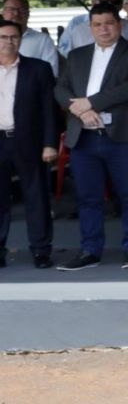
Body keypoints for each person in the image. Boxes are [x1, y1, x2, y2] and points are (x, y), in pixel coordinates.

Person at [54, 2, 128, 271]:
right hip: (84, 136)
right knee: (88, 196)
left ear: (119, 24)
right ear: (90, 27)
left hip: (124, 135)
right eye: (97, 24)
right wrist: (80, 109)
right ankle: (90, 250)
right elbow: (61, 88)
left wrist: (91, 102)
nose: (104, 29)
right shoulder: (77, 56)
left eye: (109, 23)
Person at [0, 20, 58, 269]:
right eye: (3, 37)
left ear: (20, 39)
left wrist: (49, 144)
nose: (9, 42)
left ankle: (41, 250)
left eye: (13, 37)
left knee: (36, 197)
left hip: (29, 141)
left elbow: (49, 110)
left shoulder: (39, 69)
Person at [57, 0, 128, 57]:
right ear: (93, 2)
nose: (110, 4)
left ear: (121, 5)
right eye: (105, 1)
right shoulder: (78, 26)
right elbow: (64, 48)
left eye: (115, 2)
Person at [2, 0, 59, 77]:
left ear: (28, 14)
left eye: (21, 10)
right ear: (3, 12)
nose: (16, 13)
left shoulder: (43, 40)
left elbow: (51, 73)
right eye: (12, 9)